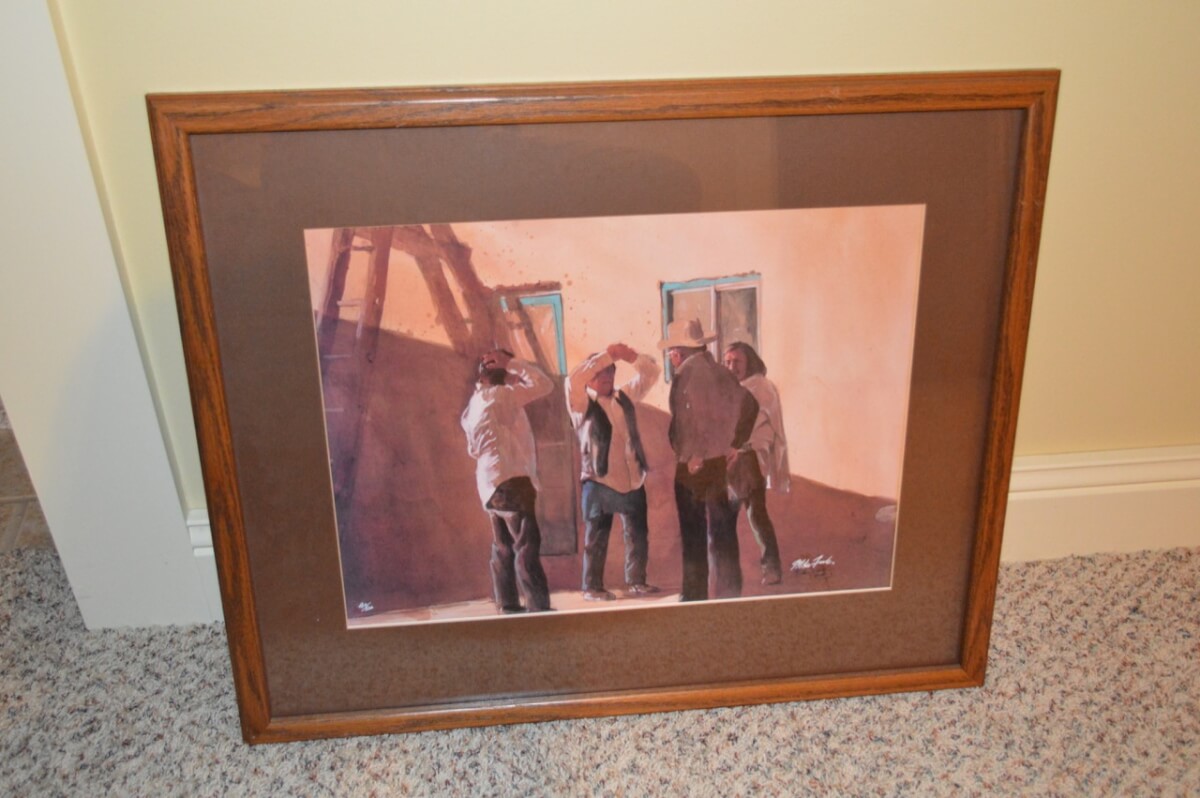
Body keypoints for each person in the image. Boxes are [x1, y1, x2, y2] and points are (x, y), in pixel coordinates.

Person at [659, 319, 759, 601]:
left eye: (671, 351)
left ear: (679, 351)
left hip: (693, 466)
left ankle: (695, 596)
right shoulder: (722, 373)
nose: (671, 356)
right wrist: (736, 444)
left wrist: (693, 454)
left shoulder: (686, 374)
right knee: (723, 531)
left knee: (693, 535)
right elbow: (750, 405)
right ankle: (729, 593)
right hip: (719, 465)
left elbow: (688, 419)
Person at [460, 348, 554, 614]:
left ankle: (508, 604)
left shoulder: (472, 406)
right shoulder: (504, 396)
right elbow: (544, 385)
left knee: (503, 547)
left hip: (488, 485)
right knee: (526, 547)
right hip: (513, 481)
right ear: (507, 374)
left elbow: (473, 450)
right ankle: (538, 609)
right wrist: (513, 363)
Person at [566, 343, 662, 601]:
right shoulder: (580, 403)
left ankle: (637, 581)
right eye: (600, 372)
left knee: (637, 535)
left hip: (633, 479)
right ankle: (592, 587)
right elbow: (573, 380)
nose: (607, 376)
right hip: (600, 481)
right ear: (590, 376)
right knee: (596, 538)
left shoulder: (624, 397)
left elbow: (651, 373)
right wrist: (607, 356)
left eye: (610, 371)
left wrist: (630, 356)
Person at [723, 342, 789, 585]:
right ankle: (729, 573)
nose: (731, 367)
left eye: (737, 362)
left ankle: (770, 568)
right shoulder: (733, 388)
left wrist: (743, 448)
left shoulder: (761, 387)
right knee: (733, 516)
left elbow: (768, 430)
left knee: (754, 514)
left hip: (749, 459)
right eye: (727, 362)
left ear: (749, 362)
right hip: (731, 458)